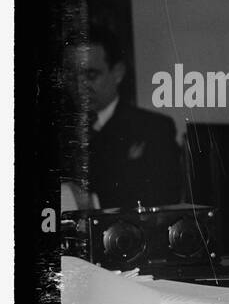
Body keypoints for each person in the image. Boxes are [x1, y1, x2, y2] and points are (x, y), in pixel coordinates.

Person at [70, 25, 184, 209]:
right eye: (72, 77)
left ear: (117, 73)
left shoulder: (153, 128)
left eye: (91, 75)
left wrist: (94, 203)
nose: (79, 86)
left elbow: (164, 195)